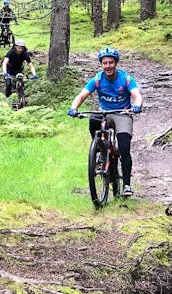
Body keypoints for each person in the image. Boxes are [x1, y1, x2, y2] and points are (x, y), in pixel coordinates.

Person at [67, 47, 144, 197]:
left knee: (124, 147)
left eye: (111, 63)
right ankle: (98, 150)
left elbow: (137, 95)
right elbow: (82, 95)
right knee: (93, 119)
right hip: (105, 112)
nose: (108, 66)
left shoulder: (125, 78)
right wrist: (73, 108)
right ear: (101, 64)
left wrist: (137, 105)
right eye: (104, 63)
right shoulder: (97, 79)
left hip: (123, 113)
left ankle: (127, 185)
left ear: (116, 63)